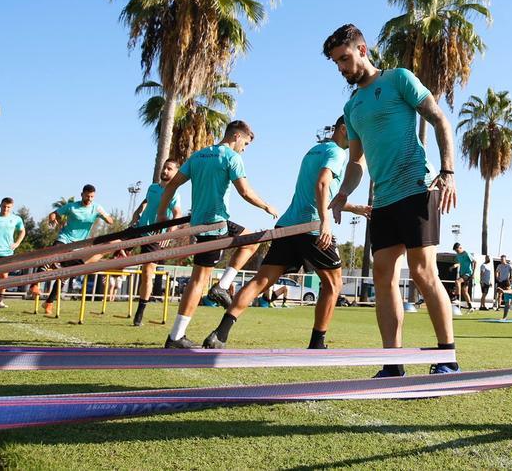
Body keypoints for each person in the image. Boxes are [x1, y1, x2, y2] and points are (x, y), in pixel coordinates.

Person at [323, 24, 460, 377]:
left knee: (422, 271)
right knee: (382, 274)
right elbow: (356, 161)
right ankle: (392, 362)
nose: (342, 68)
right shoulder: (352, 106)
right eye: (337, 63)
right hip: (383, 198)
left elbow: (439, 119)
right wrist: (342, 194)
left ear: (362, 50)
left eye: (345, 58)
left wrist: (448, 172)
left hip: (417, 185)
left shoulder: (399, 78)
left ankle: (447, 356)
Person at [204, 116, 366, 350]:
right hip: (311, 228)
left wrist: (355, 208)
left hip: (287, 226)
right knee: (333, 284)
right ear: (343, 129)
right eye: (356, 132)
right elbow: (322, 185)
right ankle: (317, 343)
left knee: (260, 281)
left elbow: (320, 193)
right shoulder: (338, 153)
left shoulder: (313, 151)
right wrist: (325, 223)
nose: (358, 139)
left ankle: (220, 334)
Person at [155, 120, 279, 348]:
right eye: (246, 144)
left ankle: (222, 286)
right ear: (236, 137)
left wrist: (162, 214)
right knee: (198, 280)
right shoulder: (232, 157)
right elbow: (245, 191)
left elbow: (171, 185)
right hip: (214, 226)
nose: (245, 148)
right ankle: (175, 337)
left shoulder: (199, 156)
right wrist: (266, 206)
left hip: (203, 221)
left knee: (250, 240)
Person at [42, 185, 115, 315]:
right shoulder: (72, 206)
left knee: (64, 277)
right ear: (82, 194)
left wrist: (104, 216)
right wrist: (55, 220)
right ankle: (34, 285)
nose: (89, 199)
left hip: (79, 246)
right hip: (65, 239)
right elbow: (54, 214)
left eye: (92, 196)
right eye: (87, 196)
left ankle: (49, 302)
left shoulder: (96, 207)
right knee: (52, 252)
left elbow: (111, 221)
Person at [128, 159, 184, 326]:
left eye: (169, 169)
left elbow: (177, 214)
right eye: (164, 168)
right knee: (112, 245)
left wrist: (168, 234)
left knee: (147, 273)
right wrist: (137, 212)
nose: (165, 171)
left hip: (154, 236)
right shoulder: (152, 187)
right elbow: (146, 201)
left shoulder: (174, 193)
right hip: (139, 229)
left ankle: (140, 313)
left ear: (175, 173)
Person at [452, 243, 474, 311]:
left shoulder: (467, 253)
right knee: (464, 291)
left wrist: (473, 273)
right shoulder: (458, 255)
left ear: (460, 248)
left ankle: (457, 298)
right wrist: (454, 266)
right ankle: (470, 307)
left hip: (468, 274)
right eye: (455, 251)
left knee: (457, 281)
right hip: (462, 273)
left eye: (457, 250)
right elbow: (459, 263)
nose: (457, 252)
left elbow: (474, 262)